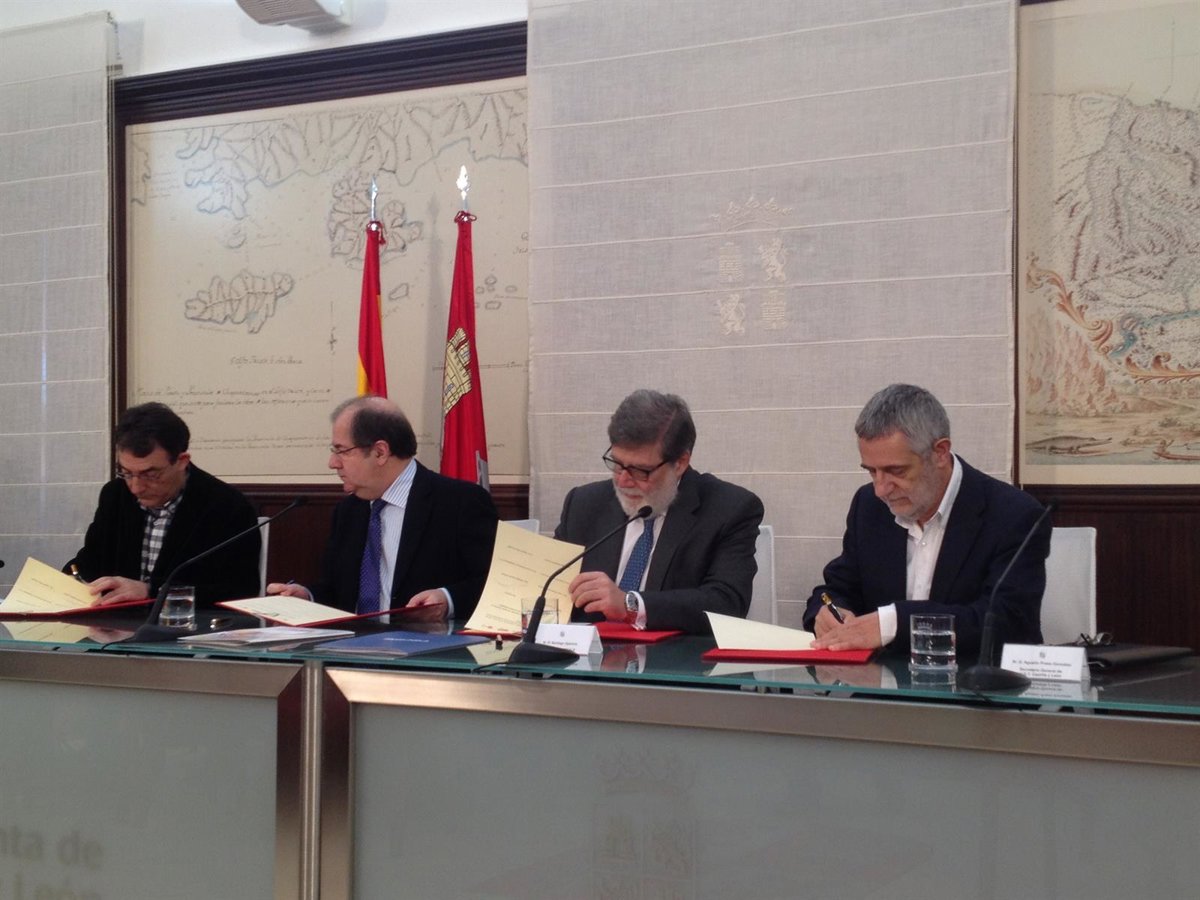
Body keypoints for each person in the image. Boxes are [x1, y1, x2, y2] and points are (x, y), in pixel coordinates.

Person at [805, 383, 1050, 656]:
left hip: (974, 679)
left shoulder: (1013, 515)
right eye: (872, 471)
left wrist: (893, 624)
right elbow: (837, 588)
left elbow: (1007, 622)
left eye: (896, 471)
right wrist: (827, 612)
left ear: (940, 452)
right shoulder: (869, 506)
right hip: (881, 680)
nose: (881, 489)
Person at [267, 395, 498, 623]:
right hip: (350, 643)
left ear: (380, 452)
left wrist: (447, 600)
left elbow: (494, 585)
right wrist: (307, 597)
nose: (332, 463)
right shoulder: (348, 511)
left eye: (342, 451)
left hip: (426, 642)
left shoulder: (460, 502)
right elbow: (337, 591)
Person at [553, 389, 764, 634]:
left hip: (675, 656)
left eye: (640, 470)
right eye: (617, 464)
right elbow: (550, 587)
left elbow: (726, 603)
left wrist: (630, 605)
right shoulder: (584, 504)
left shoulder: (729, 509)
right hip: (586, 654)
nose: (622, 481)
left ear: (680, 462)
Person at [67, 402, 261, 608]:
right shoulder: (115, 495)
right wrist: (67, 582)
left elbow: (240, 590)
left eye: (150, 475)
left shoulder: (227, 506)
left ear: (182, 461)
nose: (136, 488)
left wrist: (151, 591)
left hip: (188, 624)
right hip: (114, 622)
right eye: (126, 473)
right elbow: (89, 563)